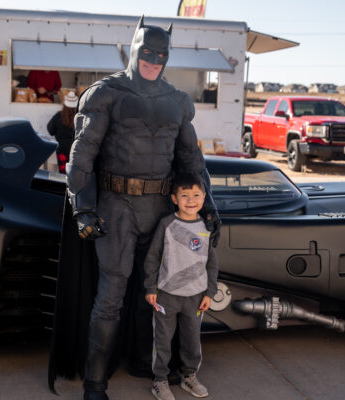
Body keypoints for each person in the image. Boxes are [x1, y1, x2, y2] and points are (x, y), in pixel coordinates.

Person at [49, 16, 221, 400]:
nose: (154, 59)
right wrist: (83, 206)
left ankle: (147, 362)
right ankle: (95, 384)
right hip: (116, 207)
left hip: (162, 209)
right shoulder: (106, 93)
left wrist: (207, 204)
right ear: (133, 49)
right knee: (110, 295)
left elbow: (192, 159)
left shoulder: (177, 101)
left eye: (162, 54)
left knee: (157, 294)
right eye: (147, 51)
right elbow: (82, 155)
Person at [144, 173, 218, 400]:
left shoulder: (206, 226)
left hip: (195, 298)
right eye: (184, 196)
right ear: (174, 198)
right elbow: (153, 257)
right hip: (166, 296)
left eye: (196, 195)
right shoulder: (167, 224)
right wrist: (150, 288)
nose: (191, 200)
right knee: (163, 341)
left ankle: (189, 376)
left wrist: (210, 292)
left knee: (191, 341)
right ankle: (159, 381)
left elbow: (212, 263)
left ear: (204, 197)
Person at [47, 91, 79, 173]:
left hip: (61, 150)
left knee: (63, 174)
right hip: (76, 151)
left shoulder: (59, 116)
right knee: (74, 174)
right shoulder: (80, 117)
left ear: (65, 104)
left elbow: (50, 130)